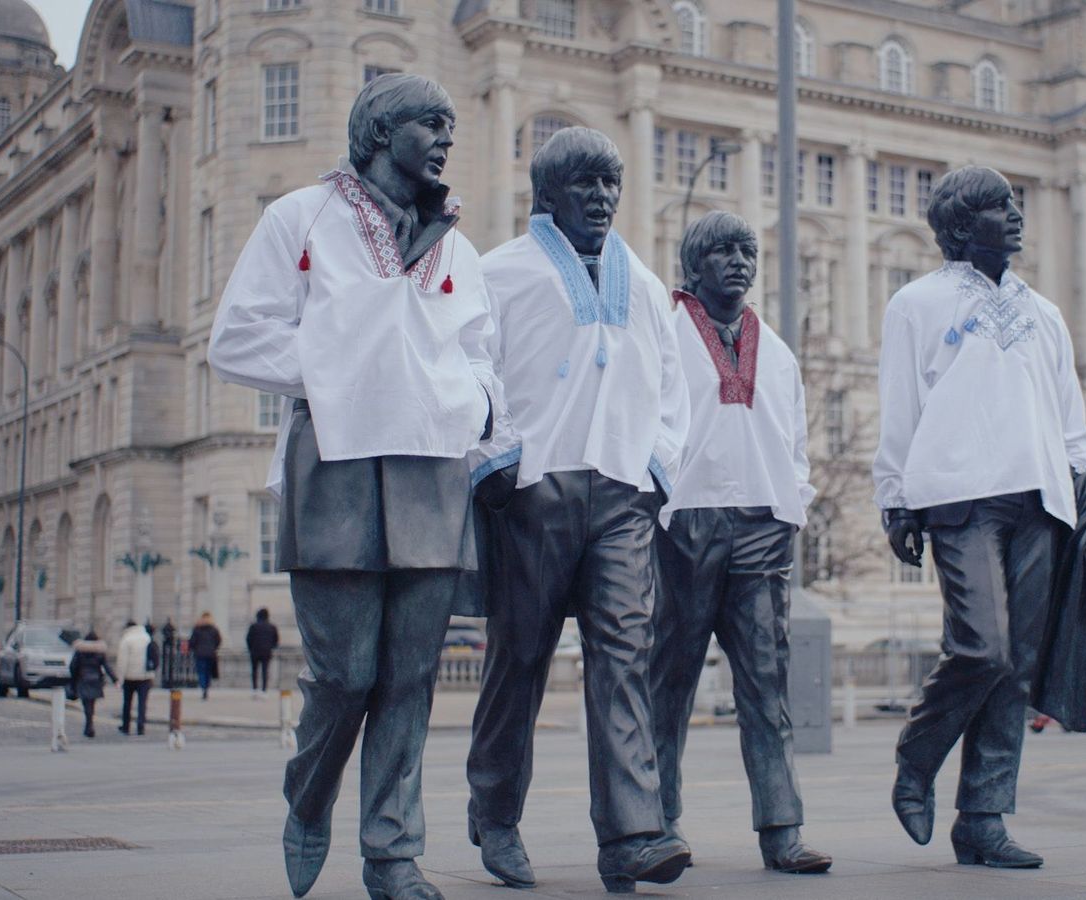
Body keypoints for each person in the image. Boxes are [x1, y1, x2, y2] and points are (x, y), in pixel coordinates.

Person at [209, 73, 498, 900]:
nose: (446, 137)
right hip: (333, 464)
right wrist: (346, 376)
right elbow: (235, 340)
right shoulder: (299, 217)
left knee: (409, 682)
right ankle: (309, 793)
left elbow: (480, 351)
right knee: (343, 678)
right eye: (429, 122)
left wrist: (474, 404)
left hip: (433, 473)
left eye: (451, 123)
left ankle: (393, 856)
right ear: (378, 129)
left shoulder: (460, 246)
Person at [464, 126, 691, 894]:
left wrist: (658, 468)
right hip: (535, 489)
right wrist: (497, 459)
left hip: (623, 495)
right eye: (585, 184)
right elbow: (471, 370)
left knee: (626, 659)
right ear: (548, 194)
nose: (601, 197)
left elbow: (673, 393)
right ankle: (495, 812)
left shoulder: (650, 287)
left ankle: (631, 835)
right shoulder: (499, 273)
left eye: (610, 183)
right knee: (519, 658)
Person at [872, 166, 1086, 869]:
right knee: (983, 647)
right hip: (958, 498)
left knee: (1017, 667)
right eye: (1000, 206)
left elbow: (1069, 419)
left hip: (1040, 499)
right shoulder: (917, 303)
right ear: (962, 227)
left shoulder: (1046, 313)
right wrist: (895, 497)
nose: (1016, 214)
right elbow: (900, 406)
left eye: (1014, 201)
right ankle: (918, 753)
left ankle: (983, 818)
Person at [649, 211, 831, 875]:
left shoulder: (776, 349)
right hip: (686, 524)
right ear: (693, 266)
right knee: (668, 684)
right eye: (722, 252)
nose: (738, 262)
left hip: (760, 526)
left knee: (766, 687)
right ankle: (657, 823)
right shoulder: (665, 336)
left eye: (746, 251)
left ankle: (782, 829)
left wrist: (794, 506)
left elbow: (797, 441)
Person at [67, 629, 116, 738]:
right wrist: (115, 679)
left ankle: (89, 726)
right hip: (95, 679)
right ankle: (90, 724)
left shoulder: (80, 651)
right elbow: (107, 666)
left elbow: (73, 666)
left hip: (83, 679)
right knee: (92, 704)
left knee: (86, 704)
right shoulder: (99, 652)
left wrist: (73, 680)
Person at [114, 620, 154, 737]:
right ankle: (141, 727)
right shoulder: (147, 637)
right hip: (146, 676)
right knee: (142, 703)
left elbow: (122, 661)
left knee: (127, 703)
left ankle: (126, 726)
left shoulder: (126, 639)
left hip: (130, 676)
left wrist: (119, 679)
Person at [246, 608, 280, 697]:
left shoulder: (253, 626)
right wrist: (271, 647)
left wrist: (250, 649)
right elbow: (276, 640)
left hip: (255, 651)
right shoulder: (272, 627)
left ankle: (254, 689)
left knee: (254, 671)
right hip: (266, 652)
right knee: (265, 671)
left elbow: (248, 639)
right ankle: (264, 690)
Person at [189, 612, 223, 700]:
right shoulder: (214, 629)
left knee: (201, 672)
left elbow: (192, 641)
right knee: (208, 672)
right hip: (211, 653)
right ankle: (206, 688)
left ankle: (203, 687)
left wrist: (194, 648)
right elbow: (218, 640)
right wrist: (213, 647)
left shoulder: (197, 629)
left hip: (200, 653)